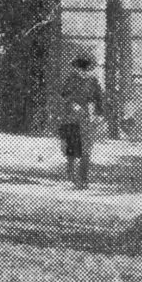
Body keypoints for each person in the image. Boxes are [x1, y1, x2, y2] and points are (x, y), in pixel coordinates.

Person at [59, 51, 107, 189]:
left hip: (87, 120)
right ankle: (71, 176)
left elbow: (99, 99)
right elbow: (64, 96)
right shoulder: (70, 80)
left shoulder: (93, 81)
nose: (84, 72)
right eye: (81, 68)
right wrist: (72, 104)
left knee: (86, 151)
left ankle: (83, 179)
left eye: (87, 69)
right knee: (72, 150)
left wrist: (99, 114)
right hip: (71, 120)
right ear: (76, 68)